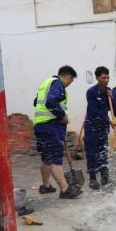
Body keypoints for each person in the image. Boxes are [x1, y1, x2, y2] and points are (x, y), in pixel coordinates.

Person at [33, 65, 82, 199]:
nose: (69, 84)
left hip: (41, 126)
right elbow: (51, 101)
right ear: (68, 77)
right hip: (50, 126)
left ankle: (46, 186)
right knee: (55, 159)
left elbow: (36, 102)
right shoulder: (57, 84)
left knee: (46, 158)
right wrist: (62, 117)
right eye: (70, 81)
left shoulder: (46, 83)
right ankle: (65, 190)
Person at [84, 66, 116, 189]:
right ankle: (92, 177)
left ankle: (105, 176)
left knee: (103, 150)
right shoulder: (91, 92)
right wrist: (108, 120)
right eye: (103, 78)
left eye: (107, 77)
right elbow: (94, 110)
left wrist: (111, 97)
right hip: (92, 126)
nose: (106, 80)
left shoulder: (108, 91)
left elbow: (111, 107)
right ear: (97, 78)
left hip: (103, 126)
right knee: (92, 152)